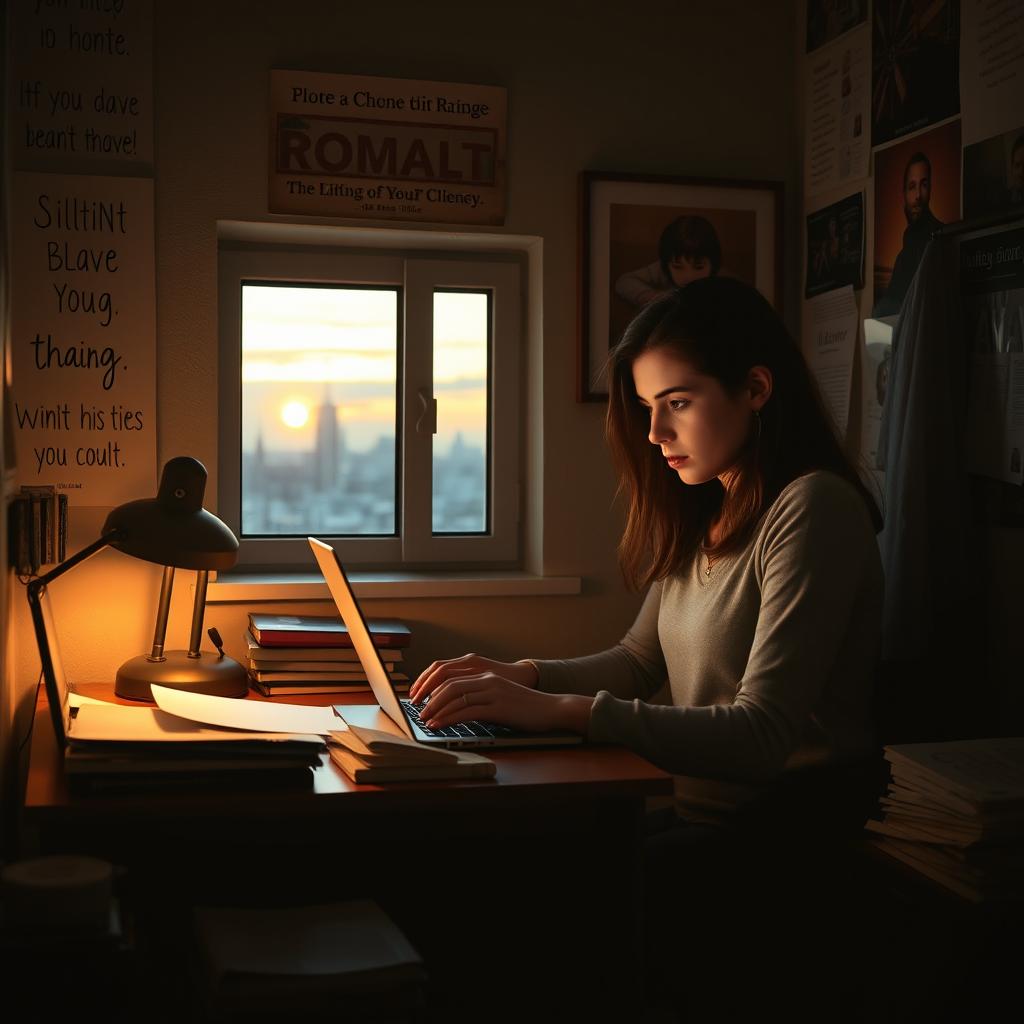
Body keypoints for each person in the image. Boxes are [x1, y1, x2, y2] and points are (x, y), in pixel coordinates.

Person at [411, 278, 884, 1015]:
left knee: (512, 907)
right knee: (473, 864)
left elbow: (761, 736)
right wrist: (522, 676)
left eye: (678, 403)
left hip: (776, 838)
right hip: (687, 812)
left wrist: (557, 710)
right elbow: (638, 661)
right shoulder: (714, 506)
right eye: (647, 410)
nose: (657, 435)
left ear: (756, 388)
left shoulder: (814, 508)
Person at [872, 150, 943, 317]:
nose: (918, 195)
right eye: (912, 187)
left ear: (931, 188)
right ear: (904, 193)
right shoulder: (904, 255)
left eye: (923, 185)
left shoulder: (940, 240)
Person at [614, 214, 721, 307]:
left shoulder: (722, 280)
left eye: (698, 267)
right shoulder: (661, 270)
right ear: (667, 264)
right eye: (678, 267)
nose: (688, 276)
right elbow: (623, 282)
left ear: (713, 265)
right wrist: (655, 298)